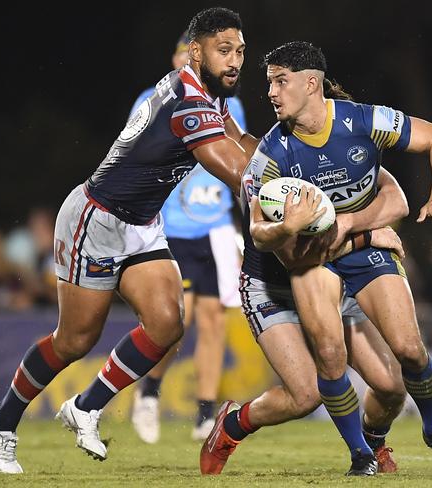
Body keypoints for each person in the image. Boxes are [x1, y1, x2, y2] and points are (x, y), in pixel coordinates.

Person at [0, 7, 257, 474]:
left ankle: (85, 407)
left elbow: (242, 142)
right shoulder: (189, 102)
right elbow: (233, 171)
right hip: (98, 219)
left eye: (240, 52)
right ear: (196, 51)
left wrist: (290, 160)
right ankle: (1, 420)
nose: (234, 61)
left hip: (141, 222)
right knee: (75, 340)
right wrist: (292, 194)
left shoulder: (203, 88)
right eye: (223, 51)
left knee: (167, 324)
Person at [221, 41, 432, 475]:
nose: (271, 92)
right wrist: (287, 226)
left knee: (410, 351)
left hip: (359, 253)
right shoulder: (271, 155)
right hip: (307, 261)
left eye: (280, 82)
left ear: (311, 83)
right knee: (328, 352)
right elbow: (260, 235)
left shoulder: (363, 121)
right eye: (269, 83)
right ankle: (361, 454)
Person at [200, 160, 410, 475]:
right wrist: (368, 237)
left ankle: (373, 443)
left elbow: (396, 196)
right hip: (273, 289)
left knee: (392, 386)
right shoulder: (274, 166)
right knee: (306, 396)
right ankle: (233, 424)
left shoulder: (348, 148)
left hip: (331, 283)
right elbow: (295, 257)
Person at [129, 30, 246, 443]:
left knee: (214, 321)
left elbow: (237, 159)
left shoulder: (226, 102)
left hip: (213, 228)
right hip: (172, 226)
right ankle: (148, 393)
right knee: (179, 319)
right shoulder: (154, 97)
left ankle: (205, 413)